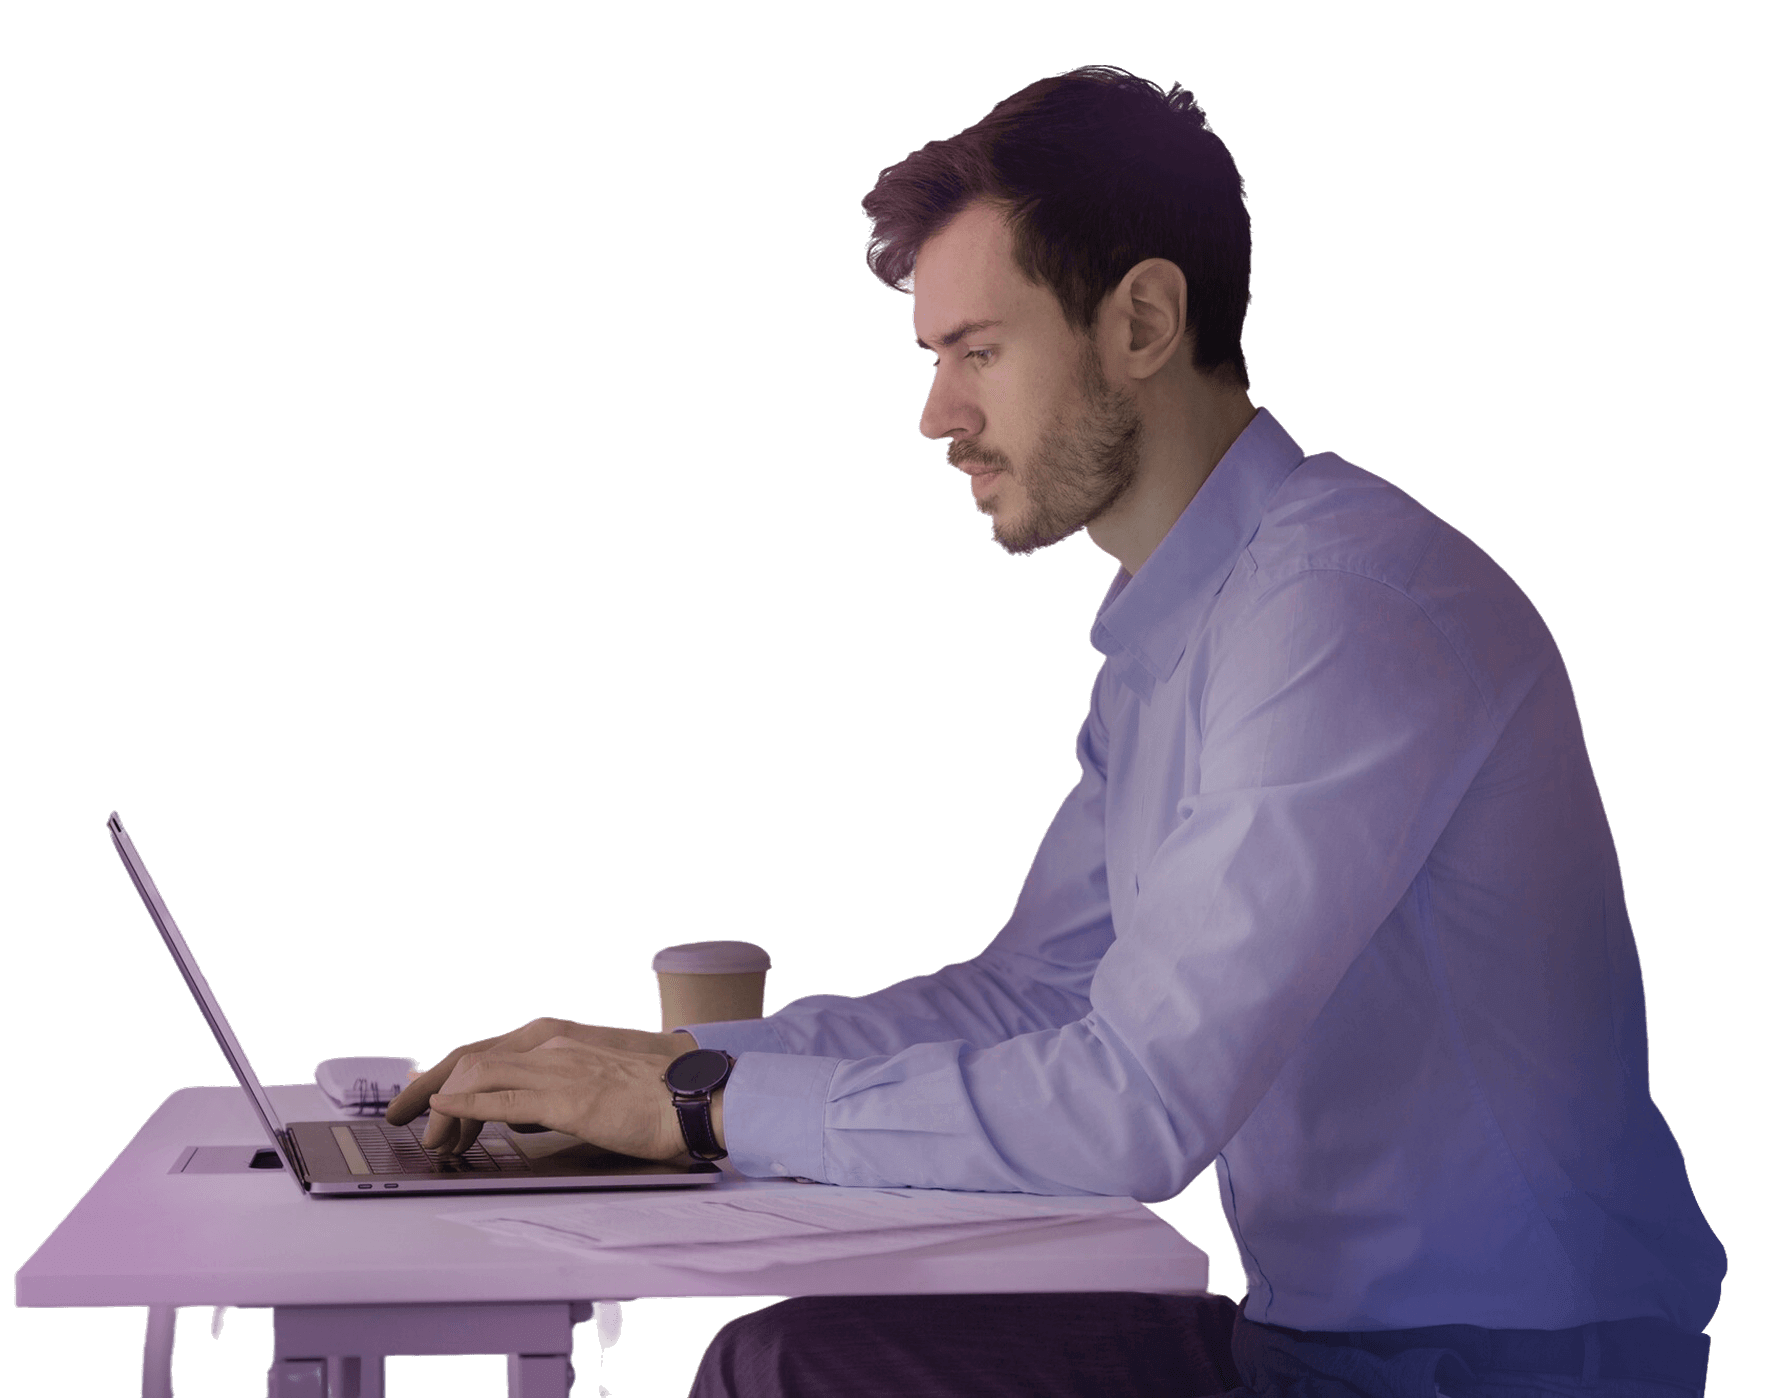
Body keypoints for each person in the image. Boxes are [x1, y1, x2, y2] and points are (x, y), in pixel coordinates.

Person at [384, 66, 1722, 1398]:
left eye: (978, 351)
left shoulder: (1341, 607)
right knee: (781, 1356)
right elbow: (1036, 993)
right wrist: (668, 1066)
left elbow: (1134, 1101)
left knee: (787, 1377)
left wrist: (695, 1109)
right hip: (1317, 1355)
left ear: (1140, 318)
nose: (936, 417)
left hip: (1508, 1371)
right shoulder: (1171, 635)